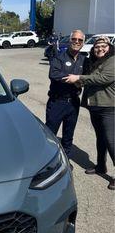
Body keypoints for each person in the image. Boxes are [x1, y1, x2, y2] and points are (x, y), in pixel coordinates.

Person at [63, 36, 115, 190]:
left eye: (103, 46)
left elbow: (103, 78)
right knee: (101, 138)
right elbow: (90, 78)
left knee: (111, 141)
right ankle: (101, 166)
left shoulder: (112, 60)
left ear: (109, 47)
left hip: (109, 107)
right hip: (96, 106)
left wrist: (78, 78)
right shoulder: (94, 61)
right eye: (97, 46)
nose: (100, 49)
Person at [45, 29, 86, 164]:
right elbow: (54, 74)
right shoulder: (59, 57)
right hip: (58, 102)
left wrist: (80, 80)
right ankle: (48, 161)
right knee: (50, 134)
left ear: (83, 43)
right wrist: (74, 80)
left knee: (68, 135)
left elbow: (90, 76)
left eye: (80, 40)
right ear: (70, 40)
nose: (77, 42)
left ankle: (66, 160)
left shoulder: (83, 59)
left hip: (74, 103)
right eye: (74, 39)